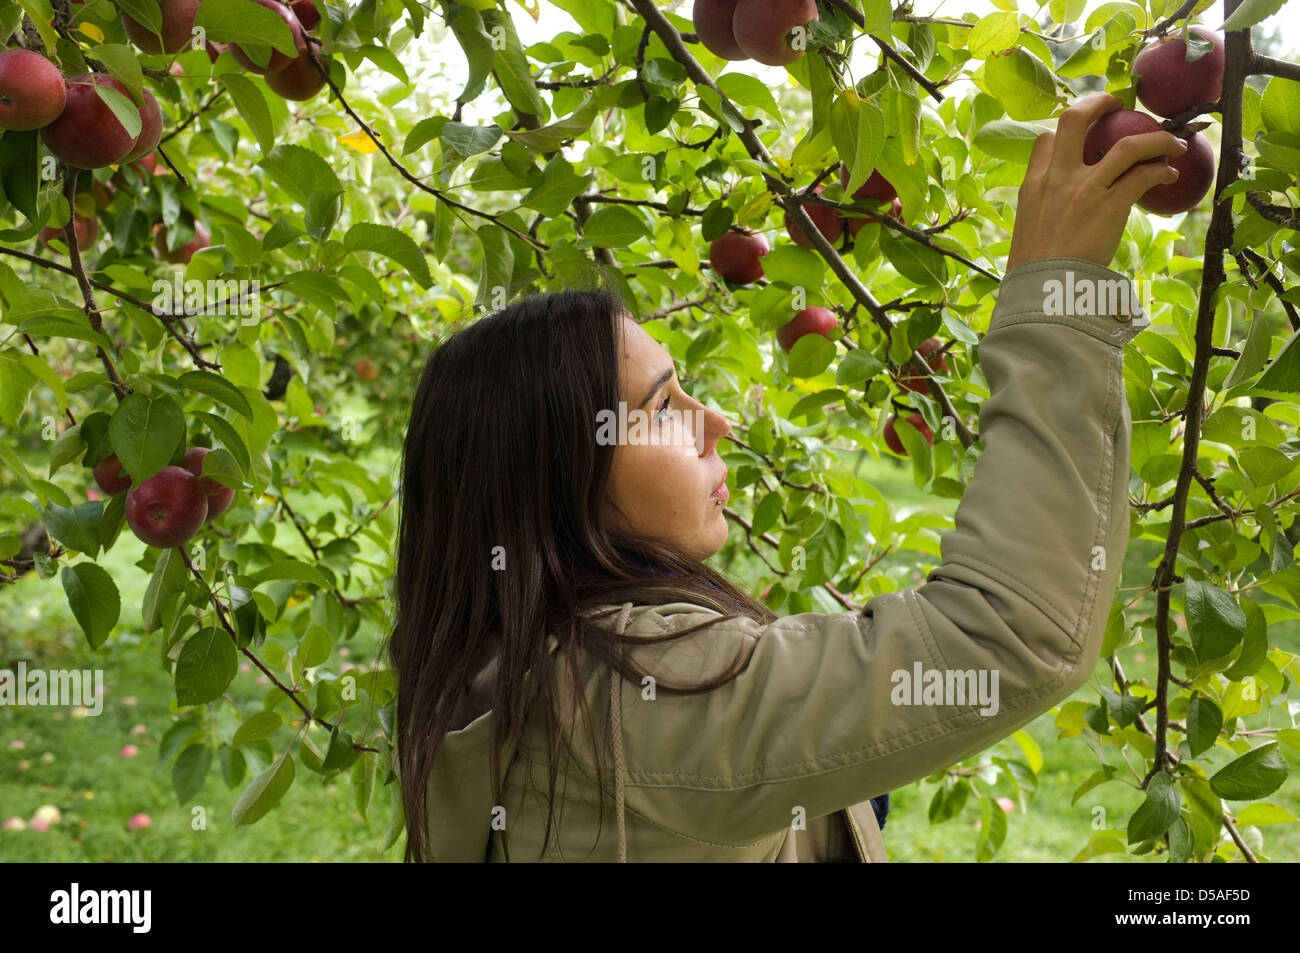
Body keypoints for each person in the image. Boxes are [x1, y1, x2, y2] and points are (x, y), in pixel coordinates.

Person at [386, 91, 1189, 862]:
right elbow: (1012, 629)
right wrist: (1058, 291)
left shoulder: (512, 667)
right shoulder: (628, 706)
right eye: (663, 406)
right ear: (556, 471)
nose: (718, 422)